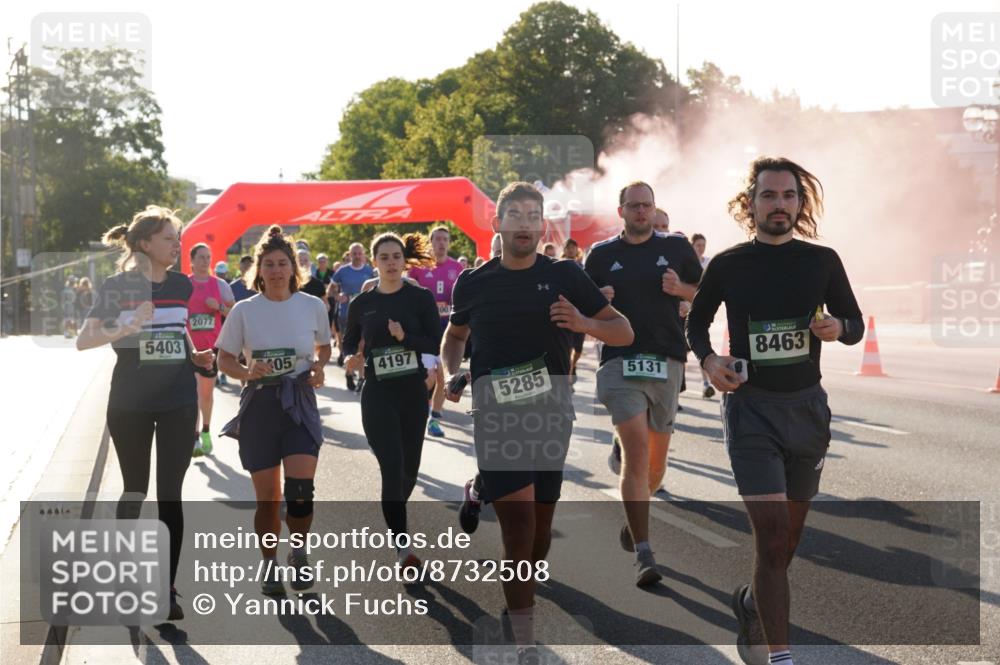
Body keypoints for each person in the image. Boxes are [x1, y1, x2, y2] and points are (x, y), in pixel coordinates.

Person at [442, 182, 632, 663]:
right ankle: (525, 642)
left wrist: (583, 323)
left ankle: (519, 592)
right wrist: (452, 371)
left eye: (533, 215)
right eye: (515, 214)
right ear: (497, 223)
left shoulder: (565, 274)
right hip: (496, 415)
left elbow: (623, 330)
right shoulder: (474, 281)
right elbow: (454, 335)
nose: (525, 223)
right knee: (520, 527)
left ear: (541, 224)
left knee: (540, 533)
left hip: (551, 413)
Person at [686, 156, 864, 665]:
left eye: (789, 196)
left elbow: (854, 322)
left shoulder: (822, 261)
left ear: (800, 204)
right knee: (771, 537)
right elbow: (695, 325)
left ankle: (748, 602)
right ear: (751, 204)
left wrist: (839, 329)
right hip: (752, 412)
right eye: (769, 195)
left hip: (807, 410)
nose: (779, 205)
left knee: (786, 544)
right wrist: (709, 359)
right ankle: (781, 657)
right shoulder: (727, 263)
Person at [77, 206, 215, 621]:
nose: (177, 244)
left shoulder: (181, 284)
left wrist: (197, 355)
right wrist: (126, 327)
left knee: (170, 494)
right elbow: (84, 340)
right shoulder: (118, 286)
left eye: (177, 237)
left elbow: (178, 332)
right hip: (130, 403)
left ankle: (166, 588)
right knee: (135, 489)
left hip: (177, 401)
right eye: (169, 237)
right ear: (144, 244)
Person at [585, 181, 702, 586]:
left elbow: (705, 295)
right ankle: (645, 553)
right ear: (620, 211)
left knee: (654, 466)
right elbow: (583, 310)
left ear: (654, 210)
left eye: (646, 206)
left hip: (667, 361)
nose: (640, 212)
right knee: (636, 455)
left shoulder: (677, 249)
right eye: (633, 206)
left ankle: (634, 517)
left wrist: (681, 289)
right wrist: (597, 298)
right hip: (620, 363)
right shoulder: (601, 255)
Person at [216, 225, 331, 595]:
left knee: (300, 491)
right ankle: (269, 563)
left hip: (298, 400)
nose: (277, 271)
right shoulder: (244, 311)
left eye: (283, 264)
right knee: (269, 499)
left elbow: (324, 348)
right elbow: (224, 358)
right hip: (261, 405)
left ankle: (298, 552)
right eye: (269, 264)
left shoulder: (312, 306)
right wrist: (247, 371)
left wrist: (318, 367)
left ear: (293, 269)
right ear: (259, 270)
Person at [343, 233, 440, 569]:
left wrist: (405, 338)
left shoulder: (420, 298)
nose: (391, 263)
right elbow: (349, 341)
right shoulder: (362, 303)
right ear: (375, 262)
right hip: (378, 394)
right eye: (383, 257)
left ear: (404, 260)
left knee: (408, 473)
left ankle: (394, 513)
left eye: (396, 256)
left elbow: (434, 343)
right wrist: (348, 359)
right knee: (392, 467)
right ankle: (403, 548)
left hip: (413, 393)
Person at [411, 226, 464, 438]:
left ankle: (434, 416)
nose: (441, 243)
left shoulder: (457, 268)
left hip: (449, 331)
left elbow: (463, 298)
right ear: (431, 242)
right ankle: (422, 408)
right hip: (424, 331)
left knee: (444, 375)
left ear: (448, 243)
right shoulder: (418, 267)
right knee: (429, 376)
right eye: (438, 239)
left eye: (445, 239)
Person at [188, 245, 236, 456]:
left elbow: (234, 313)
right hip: (188, 348)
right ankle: (194, 436)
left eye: (208, 257)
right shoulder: (184, 285)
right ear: (192, 260)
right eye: (201, 257)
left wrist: (218, 307)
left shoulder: (220, 285)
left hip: (211, 348)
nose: (205, 261)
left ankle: (206, 430)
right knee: (191, 394)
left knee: (205, 395)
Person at [333, 243, 375, 385]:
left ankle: (362, 377)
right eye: (354, 254)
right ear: (349, 255)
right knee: (350, 345)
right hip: (346, 313)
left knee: (363, 345)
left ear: (363, 254)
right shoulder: (342, 271)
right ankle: (349, 373)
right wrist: (338, 296)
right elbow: (330, 289)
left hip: (366, 314)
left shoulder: (369, 271)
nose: (357, 256)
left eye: (359, 253)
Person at [560, 239, 587, 381]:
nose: (570, 250)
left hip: (581, 313)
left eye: (573, 247)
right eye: (568, 247)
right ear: (564, 250)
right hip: (565, 312)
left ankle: (573, 365)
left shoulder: (583, 268)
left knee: (578, 348)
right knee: (568, 345)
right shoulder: (557, 267)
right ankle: (568, 371)